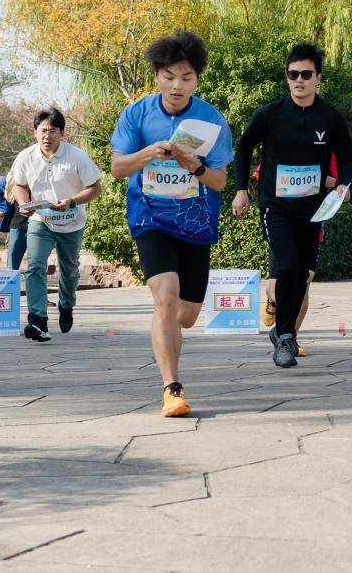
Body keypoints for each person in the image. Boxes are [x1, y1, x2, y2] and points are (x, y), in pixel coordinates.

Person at [112, 31, 234, 416]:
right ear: (157, 76)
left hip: (195, 222)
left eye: (186, 77)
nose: (177, 85)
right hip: (150, 217)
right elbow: (117, 168)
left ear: (197, 80)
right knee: (165, 296)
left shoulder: (211, 120)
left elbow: (219, 181)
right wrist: (149, 153)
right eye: (169, 77)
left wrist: (194, 166)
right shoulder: (137, 115)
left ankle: (168, 333)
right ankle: (172, 388)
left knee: (186, 315)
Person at [232, 43, 352, 370]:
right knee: (286, 266)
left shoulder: (330, 117)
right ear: (286, 77)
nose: (299, 80)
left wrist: (344, 183)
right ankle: (286, 337)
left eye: (306, 74)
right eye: (293, 74)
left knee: (302, 275)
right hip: (276, 207)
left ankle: (282, 330)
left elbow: (347, 157)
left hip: (313, 210)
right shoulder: (269, 115)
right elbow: (243, 148)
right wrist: (241, 190)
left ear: (318, 78)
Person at [11, 108, 103, 343]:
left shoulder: (77, 157)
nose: (47, 136)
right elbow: (19, 185)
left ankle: (66, 305)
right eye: (43, 131)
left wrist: (72, 201)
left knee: (70, 270)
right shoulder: (25, 157)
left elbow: (95, 188)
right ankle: (37, 320)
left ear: (62, 133)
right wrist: (23, 203)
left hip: (71, 222)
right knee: (34, 266)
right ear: (35, 132)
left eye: (52, 131)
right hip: (40, 220)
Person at [251, 155, 339, 356]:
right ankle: (274, 302)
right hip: (281, 223)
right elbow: (261, 176)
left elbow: (342, 187)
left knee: (305, 280)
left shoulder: (326, 149)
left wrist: (331, 182)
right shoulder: (281, 144)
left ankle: (290, 338)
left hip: (311, 222)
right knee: (279, 284)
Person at [0, 175, 29, 270]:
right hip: (17, 225)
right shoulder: (12, 176)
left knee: (37, 264)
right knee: (12, 266)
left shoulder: (43, 174)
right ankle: (11, 280)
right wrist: (6, 209)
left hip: (39, 225)